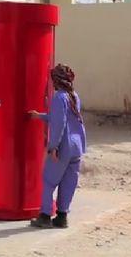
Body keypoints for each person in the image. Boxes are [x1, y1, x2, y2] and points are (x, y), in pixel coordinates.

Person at [28, 64, 86, 229]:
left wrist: (53, 147)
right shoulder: (73, 95)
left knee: (49, 181)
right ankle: (62, 217)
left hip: (63, 147)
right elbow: (61, 118)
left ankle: (45, 216)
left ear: (56, 81)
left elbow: (59, 124)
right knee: (68, 182)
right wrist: (39, 116)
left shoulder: (59, 97)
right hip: (76, 147)